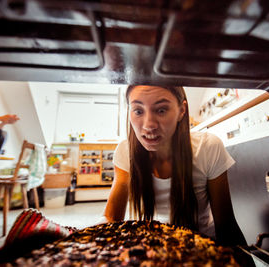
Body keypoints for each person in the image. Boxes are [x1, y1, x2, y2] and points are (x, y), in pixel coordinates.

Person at [103, 85, 246, 246]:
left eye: (161, 110)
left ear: (182, 110)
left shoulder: (207, 147)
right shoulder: (125, 151)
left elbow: (226, 225)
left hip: (202, 248)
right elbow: (111, 219)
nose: (149, 125)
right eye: (138, 111)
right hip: (149, 249)